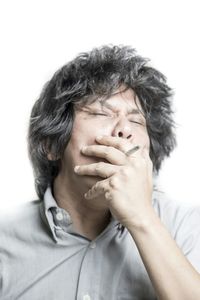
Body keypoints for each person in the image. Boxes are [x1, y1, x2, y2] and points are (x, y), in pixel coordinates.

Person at [0, 45, 200, 300]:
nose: (125, 130)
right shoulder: (4, 239)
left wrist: (142, 218)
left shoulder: (187, 226)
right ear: (51, 145)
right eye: (101, 113)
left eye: (137, 120)